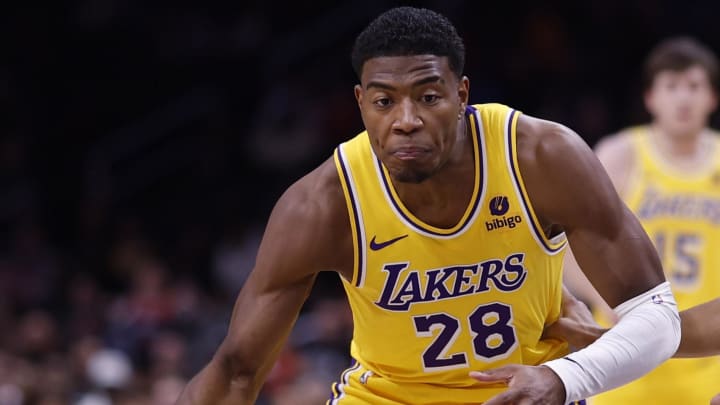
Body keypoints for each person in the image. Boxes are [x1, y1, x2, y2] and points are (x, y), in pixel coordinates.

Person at [175, 7, 681, 405]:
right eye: (384, 101)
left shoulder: (540, 157)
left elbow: (658, 318)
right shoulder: (322, 204)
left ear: (461, 94)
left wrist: (564, 377)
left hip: (530, 390)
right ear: (359, 104)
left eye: (428, 97)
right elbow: (237, 370)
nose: (406, 119)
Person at [563, 36, 720, 405]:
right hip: (627, 349)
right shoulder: (619, 155)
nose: (683, 98)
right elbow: (568, 244)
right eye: (672, 86)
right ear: (651, 97)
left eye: (694, 87)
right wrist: (606, 301)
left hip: (707, 354)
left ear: (712, 97)